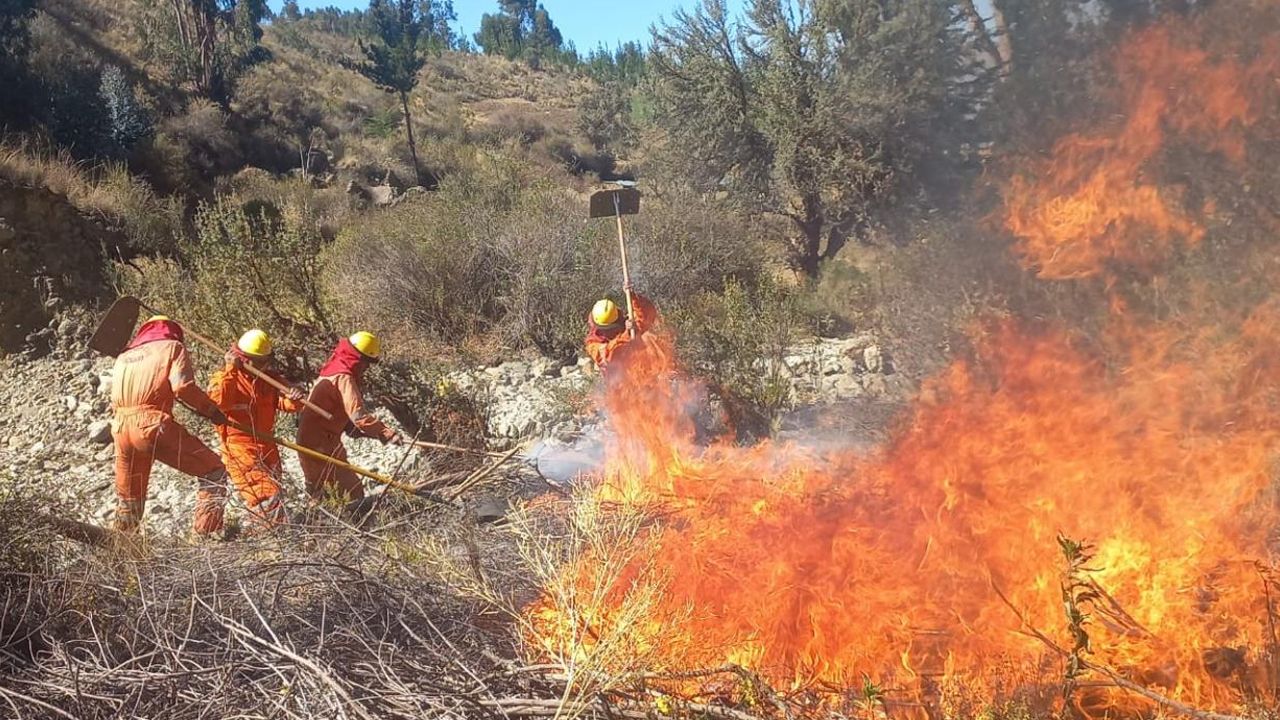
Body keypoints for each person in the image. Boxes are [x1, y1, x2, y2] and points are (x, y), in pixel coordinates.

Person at [109, 315, 230, 536]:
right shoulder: (172, 347)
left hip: (120, 429)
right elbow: (183, 387)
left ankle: (121, 548)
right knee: (214, 471)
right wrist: (211, 411)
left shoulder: (123, 356)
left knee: (129, 499)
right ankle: (207, 537)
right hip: (153, 425)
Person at [207, 328, 306, 533]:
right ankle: (272, 542)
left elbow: (283, 402)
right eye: (256, 361)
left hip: (266, 443)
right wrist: (230, 370)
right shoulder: (225, 378)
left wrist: (295, 397)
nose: (261, 366)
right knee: (265, 494)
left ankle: (270, 535)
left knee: (275, 491)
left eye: (264, 361)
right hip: (240, 447)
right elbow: (218, 403)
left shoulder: (268, 380)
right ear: (243, 358)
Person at [296, 331, 404, 502]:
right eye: (366, 363)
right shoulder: (343, 377)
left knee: (322, 492)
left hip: (314, 440)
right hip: (320, 443)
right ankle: (353, 526)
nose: (366, 368)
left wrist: (359, 430)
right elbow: (359, 416)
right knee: (350, 492)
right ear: (358, 359)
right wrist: (386, 432)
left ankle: (324, 525)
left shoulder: (333, 368)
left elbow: (341, 414)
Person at [584, 284, 658, 370]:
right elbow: (611, 354)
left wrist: (633, 297)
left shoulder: (624, 323)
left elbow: (647, 316)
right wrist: (627, 334)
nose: (608, 331)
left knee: (648, 338)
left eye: (611, 328)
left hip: (642, 369)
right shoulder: (593, 344)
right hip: (620, 380)